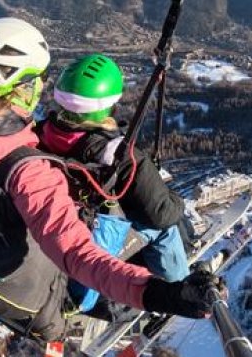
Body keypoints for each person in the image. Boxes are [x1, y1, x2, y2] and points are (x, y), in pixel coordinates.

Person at [0, 18, 220, 343]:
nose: (41, 87)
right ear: (22, 87)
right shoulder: (26, 169)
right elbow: (80, 257)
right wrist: (167, 295)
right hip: (61, 291)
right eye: (38, 79)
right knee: (159, 228)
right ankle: (179, 274)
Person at [36, 53, 190, 282]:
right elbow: (162, 215)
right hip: (89, 241)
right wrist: (176, 200)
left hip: (52, 233)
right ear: (109, 106)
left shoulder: (37, 135)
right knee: (166, 228)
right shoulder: (120, 156)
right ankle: (179, 288)